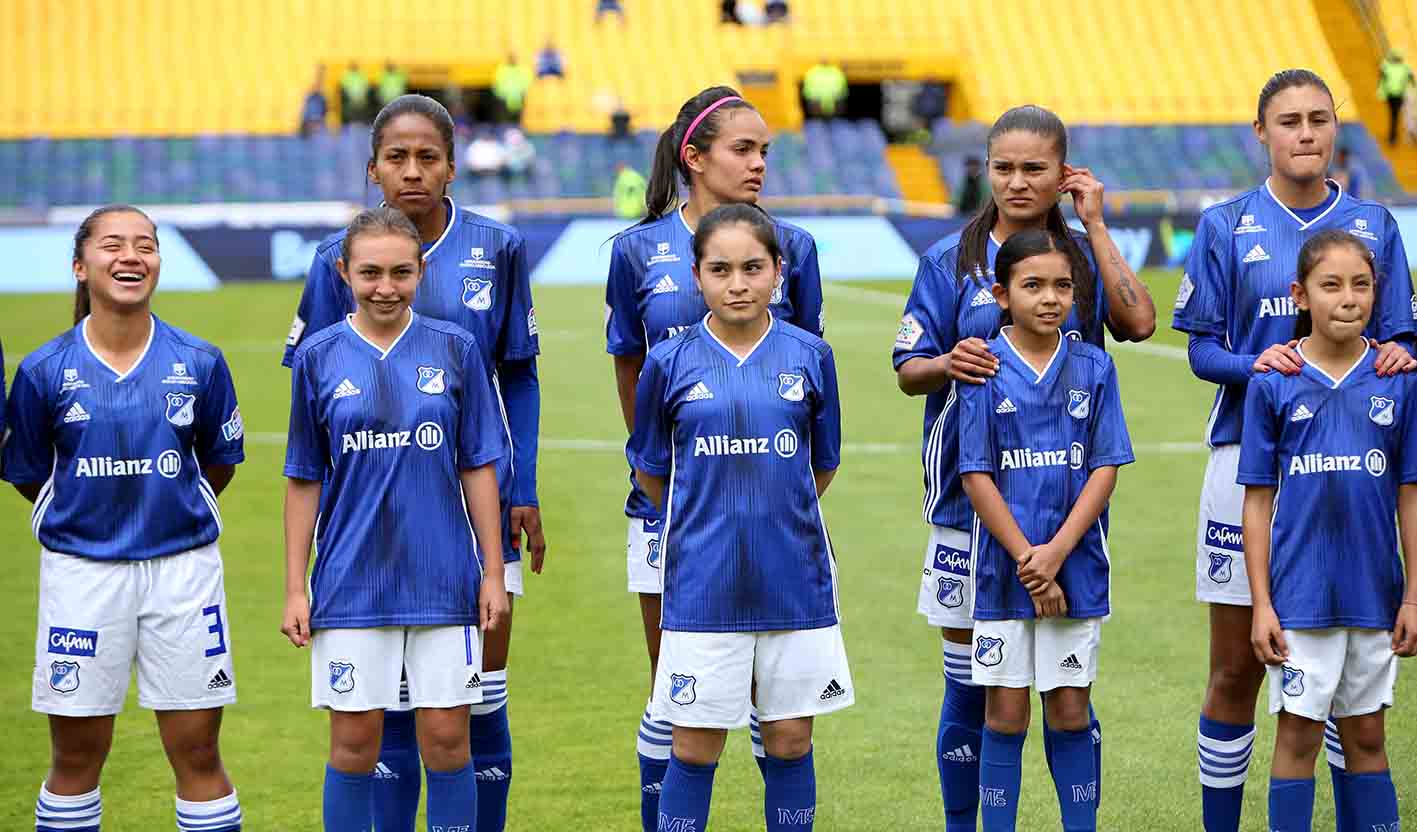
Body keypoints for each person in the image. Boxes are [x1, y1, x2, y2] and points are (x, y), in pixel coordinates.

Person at [283, 94, 543, 832]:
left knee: (472, 702)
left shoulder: (496, 247)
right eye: (396, 157)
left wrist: (521, 485)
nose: (412, 171)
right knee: (375, 718)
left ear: (452, 165)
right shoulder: (332, 261)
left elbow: (518, 374)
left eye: (428, 156)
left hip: (470, 513)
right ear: (372, 168)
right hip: (364, 528)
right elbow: (318, 404)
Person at [892, 103, 1154, 832]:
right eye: (1001, 167)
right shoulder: (949, 260)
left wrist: (1095, 226)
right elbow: (908, 369)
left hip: (1064, 512)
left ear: (1062, 172)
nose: (1015, 181)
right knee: (971, 685)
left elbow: (1138, 324)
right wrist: (947, 362)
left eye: (1033, 168)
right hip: (966, 508)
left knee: (1067, 693)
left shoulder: (1078, 262)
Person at [1171, 68, 1417, 832]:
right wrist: (1262, 364)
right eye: (1288, 120)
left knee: (1346, 674)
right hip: (1245, 463)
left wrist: (1399, 353)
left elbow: (1400, 340)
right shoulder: (1225, 225)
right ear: (1261, 132)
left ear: (1335, 126)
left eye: (1318, 118)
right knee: (1235, 667)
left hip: (1350, 464)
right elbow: (1201, 350)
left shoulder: (1374, 224)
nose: (1304, 133)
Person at [604, 85, 824, 831]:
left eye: (765, 150)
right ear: (694, 158)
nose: (759, 163)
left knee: (779, 710)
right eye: (743, 149)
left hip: (772, 509)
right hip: (671, 505)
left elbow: (807, 373)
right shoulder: (637, 250)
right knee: (676, 695)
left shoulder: (794, 248)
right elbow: (631, 369)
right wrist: (672, 485)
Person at [2, 205, 246, 832]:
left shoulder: (199, 360)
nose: (131, 256)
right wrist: (81, 513)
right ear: (80, 266)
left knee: (199, 752)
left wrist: (172, 506)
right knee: (75, 758)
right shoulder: (43, 370)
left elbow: (220, 461)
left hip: (183, 572)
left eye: (146, 244)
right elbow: (27, 470)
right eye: (113, 245)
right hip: (82, 574)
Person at [627, 203, 850, 832]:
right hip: (703, 581)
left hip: (794, 579)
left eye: (753, 268)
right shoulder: (668, 362)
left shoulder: (810, 355)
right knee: (695, 745)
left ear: (778, 271)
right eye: (720, 269)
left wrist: (774, 511)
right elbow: (651, 470)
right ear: (697, 275)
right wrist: (710, 516)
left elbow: (822, 464)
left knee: (790, 741)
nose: (738, 283)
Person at [1238, 229, 1415, 832]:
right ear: (1300, 295)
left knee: (1367, 737)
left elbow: (1410, 494)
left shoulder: (1398, 380)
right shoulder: (1273, 382)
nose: (1348, 298)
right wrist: (1262, 604)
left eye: (1361, 285)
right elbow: (1257, 502)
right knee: (1298, 738)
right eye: (1331, 285)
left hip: (1374, 594)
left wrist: (1413, 596)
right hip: (1299, 598)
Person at [958, 228, 1135, 832]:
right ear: (1002, 294)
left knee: (1070, 710)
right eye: (1032, 285)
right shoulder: (981, 367)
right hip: (1002, 570)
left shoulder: (1094, 366)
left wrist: (1056, 553)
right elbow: (976, 475)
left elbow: (1105, 467)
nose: (1050, 297)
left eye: (1062, 285)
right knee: (1005, 715)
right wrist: (1029, 561)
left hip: (1076, 564)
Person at [1379, 50, 1414, 146]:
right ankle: (1408, 136)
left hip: (1391, 95)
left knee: (1394, 116)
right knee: (1405, 115)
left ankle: (1393, 138)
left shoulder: (1386, 67)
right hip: (1400, 95)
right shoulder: (1405, 67)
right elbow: (1411, 80)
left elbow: (1382, 81)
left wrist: (1381, 93)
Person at [492, 54, 532, 124]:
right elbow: (497, 83)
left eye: (514, 58)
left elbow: (527, 82)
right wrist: (502, 94)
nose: (513, 60)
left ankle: (518, 126)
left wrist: (522, 93)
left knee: (518, 118)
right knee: (505, 118)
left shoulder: (522, 68)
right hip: (505, 99)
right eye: (511, 58)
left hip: (519, 97)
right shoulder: (502, 69)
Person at [301, 67, 328, 138]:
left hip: (316, 115)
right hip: (316, 116)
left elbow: (324, 109)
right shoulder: (313, 98)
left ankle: (320, 72)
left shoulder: (314, 98)